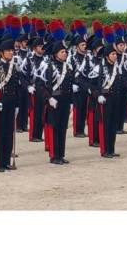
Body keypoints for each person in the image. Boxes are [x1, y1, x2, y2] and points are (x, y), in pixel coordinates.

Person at [40, 21, 75, 165]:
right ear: (55, 54)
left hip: (65, 101)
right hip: (54, 100)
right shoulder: (48, 67)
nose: (65, 53)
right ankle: (54, 155)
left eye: (66, 51)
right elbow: (41, 85)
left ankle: (61, 154)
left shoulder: (68, 67)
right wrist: (49, 98)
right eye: (62, 52)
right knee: (54, 128)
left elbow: (70, 84)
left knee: (62, 128)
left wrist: (72, 101)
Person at [0, 38, 22, 172]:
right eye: (8, 51)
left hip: (11, 101)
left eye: (12, 50)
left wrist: (17, 103)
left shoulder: (14, 65)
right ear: (1, 52)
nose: (11, 53)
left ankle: (6, 160)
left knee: (8, 132)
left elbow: (17, 85)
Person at [92, 34, 122, 158]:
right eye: (113, 54)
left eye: (116, 54)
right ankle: (105, 150)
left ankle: (112, 149)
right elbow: (92, 84)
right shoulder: (99, 68)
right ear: (107, 56)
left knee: (113, 125)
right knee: (106, 125)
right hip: (104, 99)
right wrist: (98, 95)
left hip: (115, 99)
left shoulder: (116, 68)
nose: (115, 56)